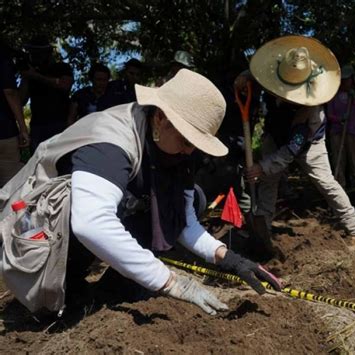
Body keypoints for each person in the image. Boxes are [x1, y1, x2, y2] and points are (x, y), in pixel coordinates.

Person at [0, 69, 281, 315]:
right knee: (82, 206)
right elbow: (90, 222)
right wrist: (169, 280)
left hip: (80, 222)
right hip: (38, 232)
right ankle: (68, 283)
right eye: (186, 139)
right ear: (160, 117)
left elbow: (183, 223)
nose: (189, 150)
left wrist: (229, 259)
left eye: (195, 143)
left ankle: (119, 286)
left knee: (193, 199)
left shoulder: (173, 151)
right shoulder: (112, 141)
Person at [235, 36, 355, 252]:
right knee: (268, 182)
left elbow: (290, 151)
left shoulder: (310, 111)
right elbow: (256, 74)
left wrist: (262, 167)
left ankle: (354, 230)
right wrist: (245, 75)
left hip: (308, 142)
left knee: (326, 183)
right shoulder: (276, 72)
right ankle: (262, 231)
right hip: (275, 134)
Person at [18, 36, 73, 152]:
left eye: (39, 52)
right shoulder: (31, 73)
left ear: (48, 53)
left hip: (60, 123)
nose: (35, 56)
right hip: (38, 125)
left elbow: (65, 85)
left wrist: (36, 76)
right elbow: (21, 100)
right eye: (32, 53)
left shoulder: (62, 68)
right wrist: (26, 77)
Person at [327, 65, 355, 199]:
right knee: (338, 161)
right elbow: (329, 114)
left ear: (352, 79)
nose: (345, 82)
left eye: (347, 79)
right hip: (337, 133)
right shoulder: (334, 95)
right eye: (343, 79)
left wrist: (354, 99)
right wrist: (339, 119)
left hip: (354, 133)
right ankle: (339, 190)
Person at [0, 41, 29, 187]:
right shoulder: (3, 58)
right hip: (5, 132)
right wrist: (23, 129)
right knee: (10, 186)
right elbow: (10, 92)